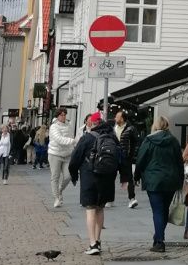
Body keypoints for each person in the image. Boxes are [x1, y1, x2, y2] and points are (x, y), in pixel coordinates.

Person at [68, 111, 120, 255]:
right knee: (100, 209)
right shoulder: (112, 137)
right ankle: (98, 240)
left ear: (92, 123)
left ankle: (92, 244)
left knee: (90, 210)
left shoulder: (87, 138)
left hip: (89, 177)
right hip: (107, 178)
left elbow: (75, 159)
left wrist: (73, 174)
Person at [133, 116, 184, 253]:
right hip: (171, 180)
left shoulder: (149, 140)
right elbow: (180, 162)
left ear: (155, 126)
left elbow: (140, 160)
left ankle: (160, 242)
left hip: (154, 181)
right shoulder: (173, 141)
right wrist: (180, 180)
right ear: (167, 125)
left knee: (157, 210)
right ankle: (158, 237)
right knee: (164, 209)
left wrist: (136, 176)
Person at [48, 108, 76, 208]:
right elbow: (59, 139)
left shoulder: (69, 125)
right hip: (55, 154)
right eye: (62, 115)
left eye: (65, 115)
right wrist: (72, 141)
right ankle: (56, 198)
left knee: (68, 176)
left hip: (67, 155)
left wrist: (73, 148)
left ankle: (60, 190)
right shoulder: (53, 127)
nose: (63, 116)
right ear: (57, 116)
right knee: (55, 177)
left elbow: (72, 137)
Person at [114, 109, 139, 209]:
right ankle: (109, 199)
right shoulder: (113, 128)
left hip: (125, 157)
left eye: (117, 117)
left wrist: (131, 156)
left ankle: (132, 199)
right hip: (114, 156)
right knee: (110, 176)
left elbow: (136, 143)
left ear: (122, 118)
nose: (115, 118)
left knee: (129, 178)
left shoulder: (130, 129)